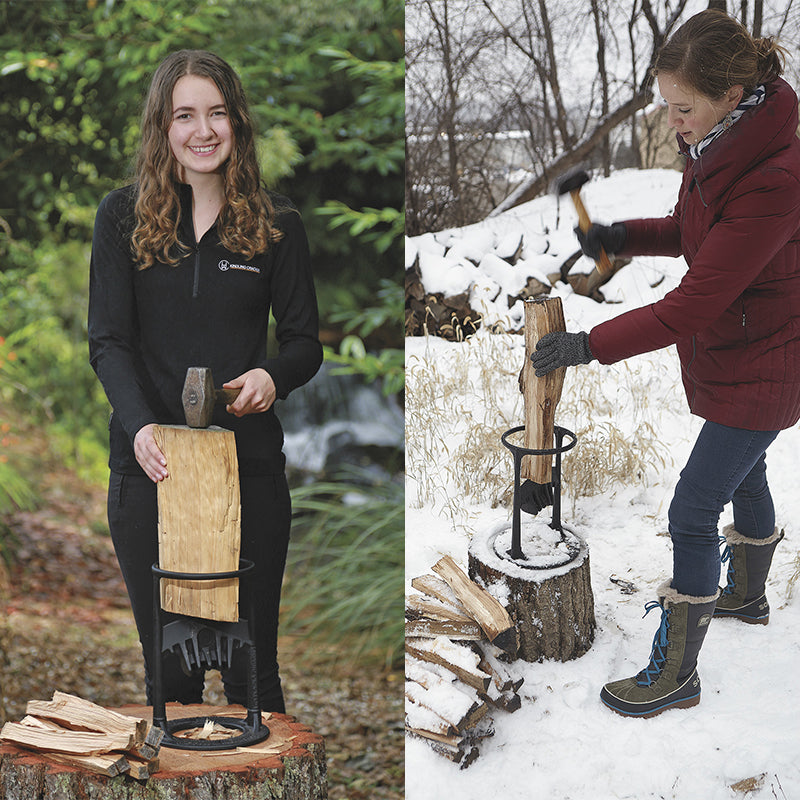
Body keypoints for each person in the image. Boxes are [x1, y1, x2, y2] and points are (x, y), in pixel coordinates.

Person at [532, 9, 800, 718]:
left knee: (692, 510)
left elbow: (693, 303)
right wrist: (618, 234)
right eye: (667, 106)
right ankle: (745, 594)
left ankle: (677, 674)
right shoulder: (724, 143)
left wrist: (588, 345)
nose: (674, 121)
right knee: (751, 473)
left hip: (766, 360)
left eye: (683, 108)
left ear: (728, 91)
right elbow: (696, 233)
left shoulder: (774, 177)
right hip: (745, 350)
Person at [88, 50, 323, 713]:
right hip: (149, 474)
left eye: (216, 113)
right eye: (185, 115)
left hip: (247, 470)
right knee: (173, 683)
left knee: (254, 679)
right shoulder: (122, 218)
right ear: (163, 127)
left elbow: (305, 344)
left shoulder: (278, 224)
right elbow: (108, 341)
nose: (203, 130)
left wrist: (272, 377)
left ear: (236, 123)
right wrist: (140, 427)